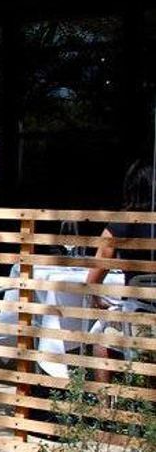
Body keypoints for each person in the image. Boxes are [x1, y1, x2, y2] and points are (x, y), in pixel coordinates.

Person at [86, 161, 156, 383]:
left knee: (101, 335)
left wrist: (95, 298)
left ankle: (105, 400)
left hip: (138, 311)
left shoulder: (123, 222)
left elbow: (97, 270)